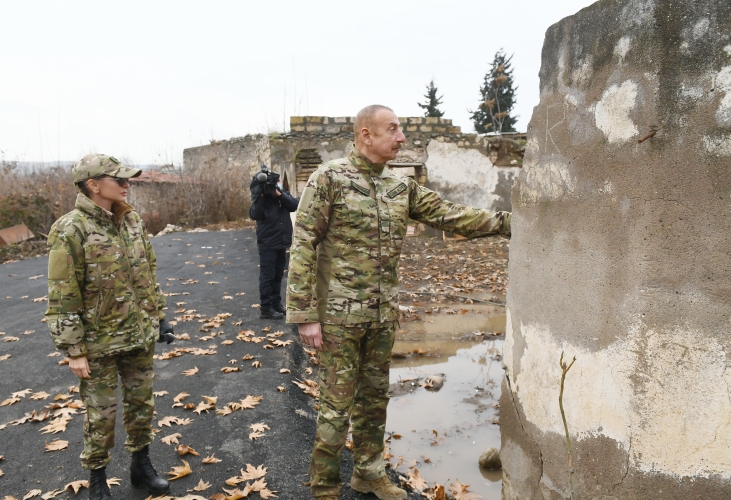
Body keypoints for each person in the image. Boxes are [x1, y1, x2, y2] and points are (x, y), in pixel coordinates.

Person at [286, 105, 511, 500]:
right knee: (336, 410)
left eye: (402, 130)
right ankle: (324, 488)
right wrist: (305, 315)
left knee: (374, 402)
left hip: (381, 316)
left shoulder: (399, 186)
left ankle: (369, 474)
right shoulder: (330, 178)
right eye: (393, 130)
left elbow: (448, 214)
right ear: (365, 135)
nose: (401, 137)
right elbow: (304, 243)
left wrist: (508, 223)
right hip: (339, 319)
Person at [45, 154, 175, 500]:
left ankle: (140, 465)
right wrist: (73, 350)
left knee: (141, 406)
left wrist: (159, 317)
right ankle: (97, 480)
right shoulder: (70, 229)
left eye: (127, 179)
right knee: (101, 418)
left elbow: (147, 273)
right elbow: (62, 293)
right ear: (93, 184)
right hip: (98, 343)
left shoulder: (132, 221)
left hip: (138, 335)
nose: (126, 184)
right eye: (119, 180)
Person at [249, 168, 299, 319]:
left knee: (278, 275)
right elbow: (255, 214)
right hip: (268, 242)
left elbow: (294, 205)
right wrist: (262, 196)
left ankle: (276, 303)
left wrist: (279, 194)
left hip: (282, 241)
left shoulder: (281, 195)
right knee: (267, 276)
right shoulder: (260, 198)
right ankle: (266, 308)